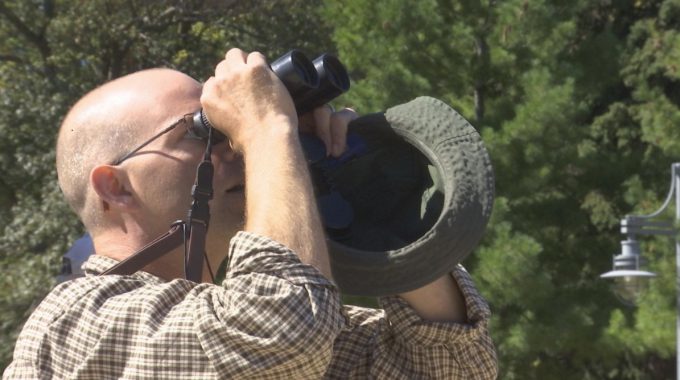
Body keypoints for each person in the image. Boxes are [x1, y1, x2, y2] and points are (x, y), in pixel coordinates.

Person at [3, 48, 497, 379]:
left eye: (229, 127)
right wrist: (266, 127)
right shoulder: (71, 325)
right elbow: (281, 335)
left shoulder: (267, 318)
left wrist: (361, 206)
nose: (236, 147)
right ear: (116, 187)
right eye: (202, 131)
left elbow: (451, 366)